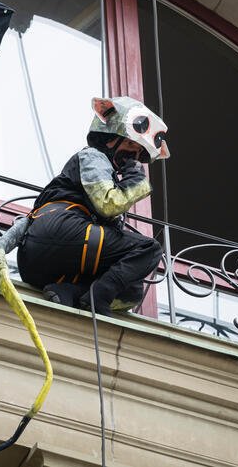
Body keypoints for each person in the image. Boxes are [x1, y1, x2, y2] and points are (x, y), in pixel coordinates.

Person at [15, 96, 170, 316]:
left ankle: (70, 293)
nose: (132, 156)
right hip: (60, 226)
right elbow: (109, 204)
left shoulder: (107, 172)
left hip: (38, 264)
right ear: (109, 139)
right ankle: (98, 298)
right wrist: (137, 181)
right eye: (129, 145)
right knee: (148, 249)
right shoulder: (93, 156)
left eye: (137, 153)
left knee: (131, 292)